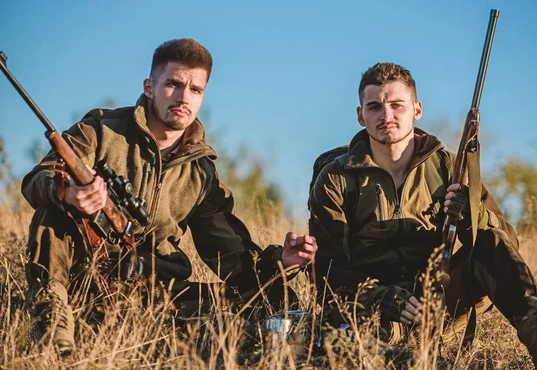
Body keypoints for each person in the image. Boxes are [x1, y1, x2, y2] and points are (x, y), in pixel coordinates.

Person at [22, 38, 317, 356]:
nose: (183, 97)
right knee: (52, 212)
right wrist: (67, 193)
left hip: (157, 292)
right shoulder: (100, 131)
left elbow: (231, 257)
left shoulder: (200, 171)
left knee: (274, 298)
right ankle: (54, 333)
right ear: (149, 87)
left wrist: (281, 262)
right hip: (84, 279)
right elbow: (36, 180)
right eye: (173, 84)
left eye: (195, 90)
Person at [308, 62, 537, 367]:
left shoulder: (450, 168)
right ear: (360, 115)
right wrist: (378, 296)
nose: (386, 115)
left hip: (440, 299)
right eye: (375, 106)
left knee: (490, 240)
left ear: (417, 109)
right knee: (364, 342)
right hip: (371, 307)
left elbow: (505, 242)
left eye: (397, 105)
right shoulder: (336, 178)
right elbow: (325, 269)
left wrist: (473, 215)